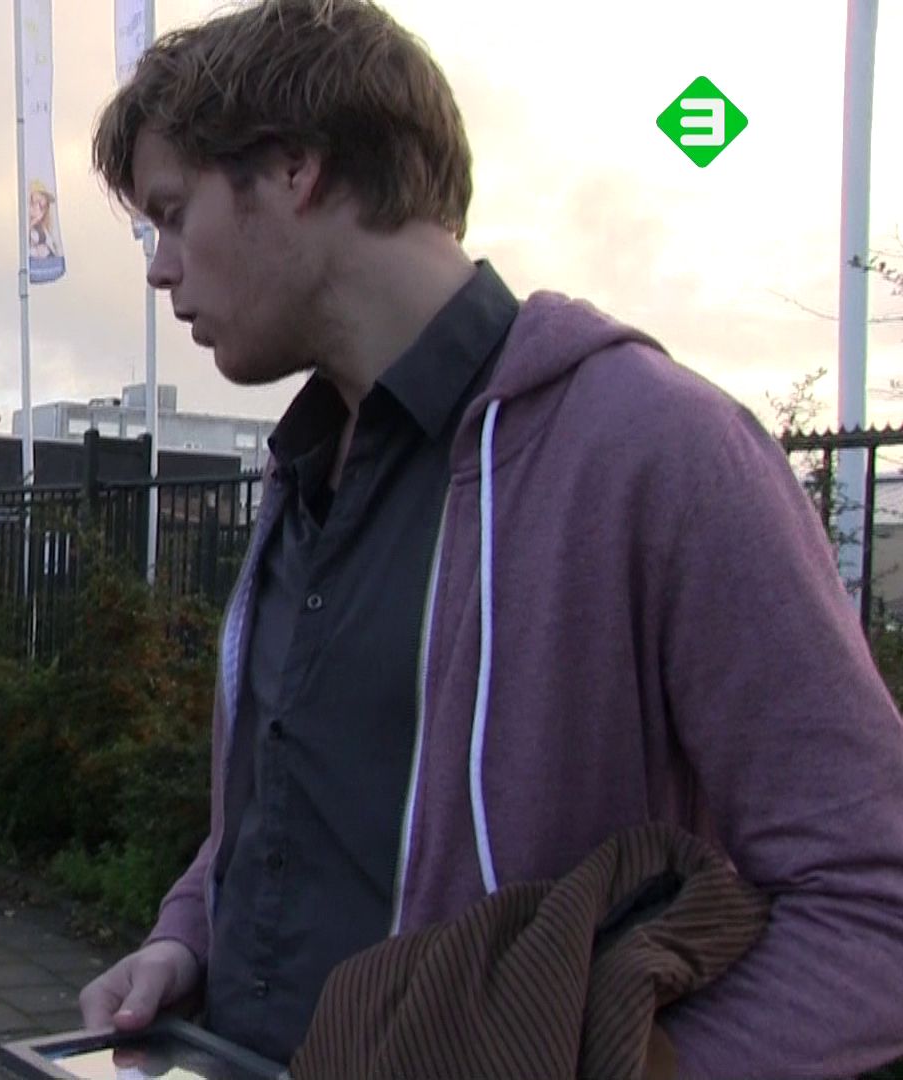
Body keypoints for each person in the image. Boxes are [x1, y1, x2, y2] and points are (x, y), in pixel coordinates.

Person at [76, 2, 903, 1077]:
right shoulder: (301, 472)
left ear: (292, 167)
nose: (160, 267)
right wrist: (187, 936)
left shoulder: (660, 449)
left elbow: (875, 902)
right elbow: (296, 803)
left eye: (174, 214)